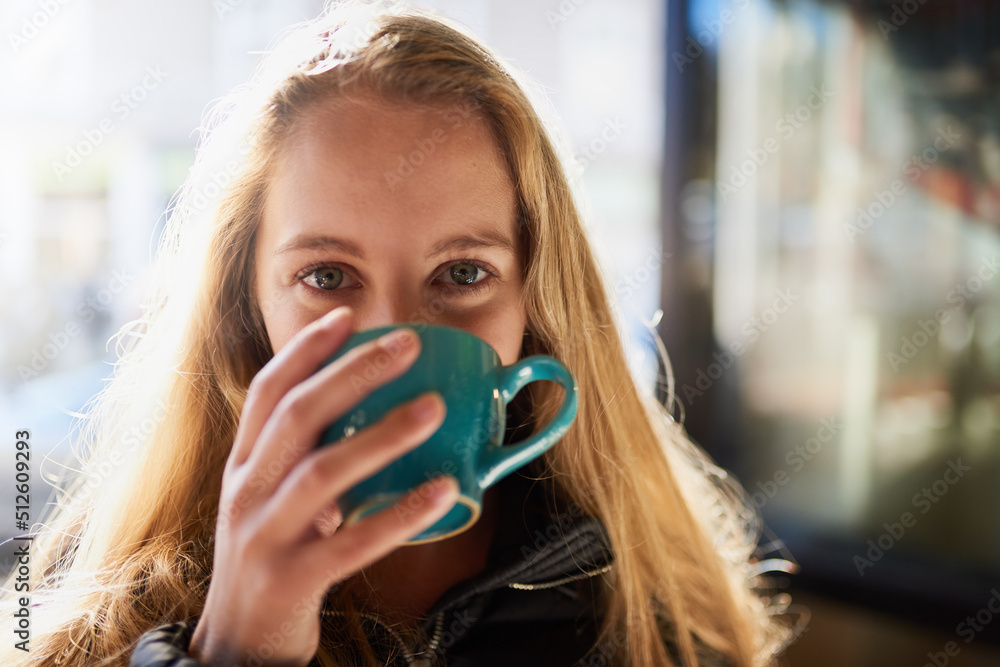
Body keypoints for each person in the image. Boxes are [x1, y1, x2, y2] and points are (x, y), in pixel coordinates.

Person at [0, 1, 800, 665]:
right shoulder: (92, 617)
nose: (394, 342)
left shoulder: (657, 617)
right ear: (242, 304)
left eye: (461, 274)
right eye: (325, 277)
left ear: (537, 300)